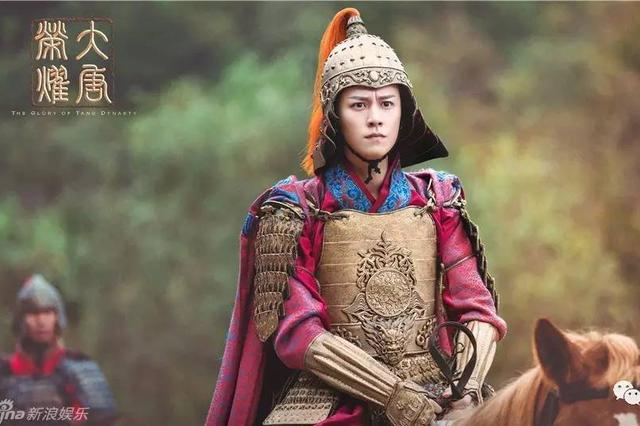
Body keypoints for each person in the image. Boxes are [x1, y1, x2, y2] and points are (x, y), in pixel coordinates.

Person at [206, 8, 507, 426]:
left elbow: (477, 309)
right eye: (359, 104)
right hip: (326, 401)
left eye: (387, 103)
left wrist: (468, 390)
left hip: (438, 392)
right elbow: (299, 333)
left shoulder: (438, 201)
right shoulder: (293, 212)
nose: (375, 118)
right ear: (335, 115)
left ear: (404, 112)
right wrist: (392, 394)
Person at [0, 274, 118, 425]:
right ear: (21, 320)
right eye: (33, 313)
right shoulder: (4, 372)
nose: (41, 321)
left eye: (47, 313)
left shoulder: (79, 368)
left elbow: (101, 419)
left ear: (57, 318)